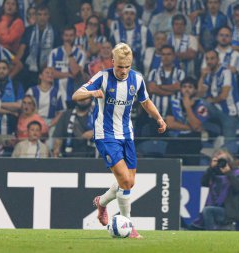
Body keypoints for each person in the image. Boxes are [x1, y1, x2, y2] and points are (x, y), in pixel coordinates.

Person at [72, 43, 167, 238]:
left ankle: (102, 202)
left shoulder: (137, 79)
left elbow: (145, 101)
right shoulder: (103, 77)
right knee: (124, 179)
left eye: (127, 67)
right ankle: (129, 226)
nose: (123, 71)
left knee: (129, 182)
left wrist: (158, 118)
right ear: (112, 62)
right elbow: (76, 95)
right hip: (105, 135)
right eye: (120, 67)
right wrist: (91, 93)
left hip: (127, 134)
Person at [190, 150, 239, 230]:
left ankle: (210, 234)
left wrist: (228, 173)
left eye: (223, 160)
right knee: (205, 213)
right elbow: (204, 183)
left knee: (207, 210)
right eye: (218, 160)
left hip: (230, 211)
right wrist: (211, 168)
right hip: (216, 207)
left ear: (229, 161)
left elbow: (238, 187)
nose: (221, 163)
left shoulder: (238, 173)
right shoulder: (214, 173)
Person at [198, 50, 239, 140]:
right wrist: (202, 77)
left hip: (229, 112)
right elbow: (200, 93)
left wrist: (211, 100)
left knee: (229, 145)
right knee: (199, 103)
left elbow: (224, 95)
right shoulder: (209, 74)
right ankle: (207, 130)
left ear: (218, 60)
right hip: (215, 110)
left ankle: (211, 130)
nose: (209, 61)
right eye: (207, 59)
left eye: (212, 58)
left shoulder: (226, 72)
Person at [165, 77, 208, 165]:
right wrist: (189, 127)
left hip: (192, 142)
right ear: (181, 89)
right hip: (175, 141)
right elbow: (169, 124)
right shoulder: (174, 103)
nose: (187, 89)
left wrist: (188, 107)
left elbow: (196, 125)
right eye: (184, 87)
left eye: (190, 87)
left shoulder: (201, 105)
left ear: (195, 90)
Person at [16, 4, 60, 90]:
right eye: (39, 14)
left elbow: (57, 52)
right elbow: (22, 49)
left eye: (45, 14)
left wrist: (48, 63)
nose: (42, 17)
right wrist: (16, 61)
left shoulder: (55, 31)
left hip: (48, 67)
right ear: (35, 16)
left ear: (48, 16)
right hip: (30, 69)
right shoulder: (29, 30)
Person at [48, 25, 86, 108]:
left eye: (71, 35)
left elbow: (76, 73)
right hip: (56, 96)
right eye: (66, 35)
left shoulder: (81, 53)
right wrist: (68, 74)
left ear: (75, 36)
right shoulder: (54, 52)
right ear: (62, 36)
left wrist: (69, 54)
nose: (68, 38)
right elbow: (50, 74)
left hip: (72, 97)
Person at [109, 4, 154, 72]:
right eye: (126, 13)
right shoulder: (116, 33)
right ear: (122, 16)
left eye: (132, 14)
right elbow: (111, 52)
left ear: (135, 16)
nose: (129, 16)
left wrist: (146, 66)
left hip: (140, 67)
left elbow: (151, 49)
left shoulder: (144, 31)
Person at [148, 45, 185, 119]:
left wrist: (160, 86)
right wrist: (170, 91)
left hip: (174, 115)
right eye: (163, 54)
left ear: (174, 56)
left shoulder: (180, 73)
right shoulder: (154, 72)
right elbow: (152, 89)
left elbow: (178, 87)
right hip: (156, 115)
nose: (166, 57)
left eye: (169, 54)